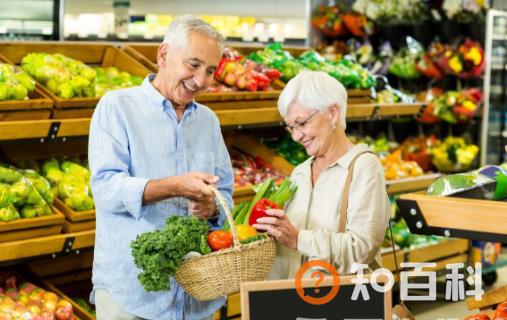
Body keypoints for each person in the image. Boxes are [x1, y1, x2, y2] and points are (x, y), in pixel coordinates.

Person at [88, 15, 233, 320]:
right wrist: (174, 186)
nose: (201, 80)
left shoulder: (208, 121)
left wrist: (212, 207)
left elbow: (226, 195)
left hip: (196, 297)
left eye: (210, 71)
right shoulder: (117, 108)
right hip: (132, 295)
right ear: (163, 55)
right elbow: (105, 189)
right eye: (193, 65)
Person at [253, 71, 390, 279]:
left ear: (333, 113)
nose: (296, 136)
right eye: (290, 127)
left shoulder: (364, 167)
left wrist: (299, 239)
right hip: (293, 300)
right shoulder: (299, 173)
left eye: (302, 123)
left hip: (340, 303)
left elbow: (363, 248)